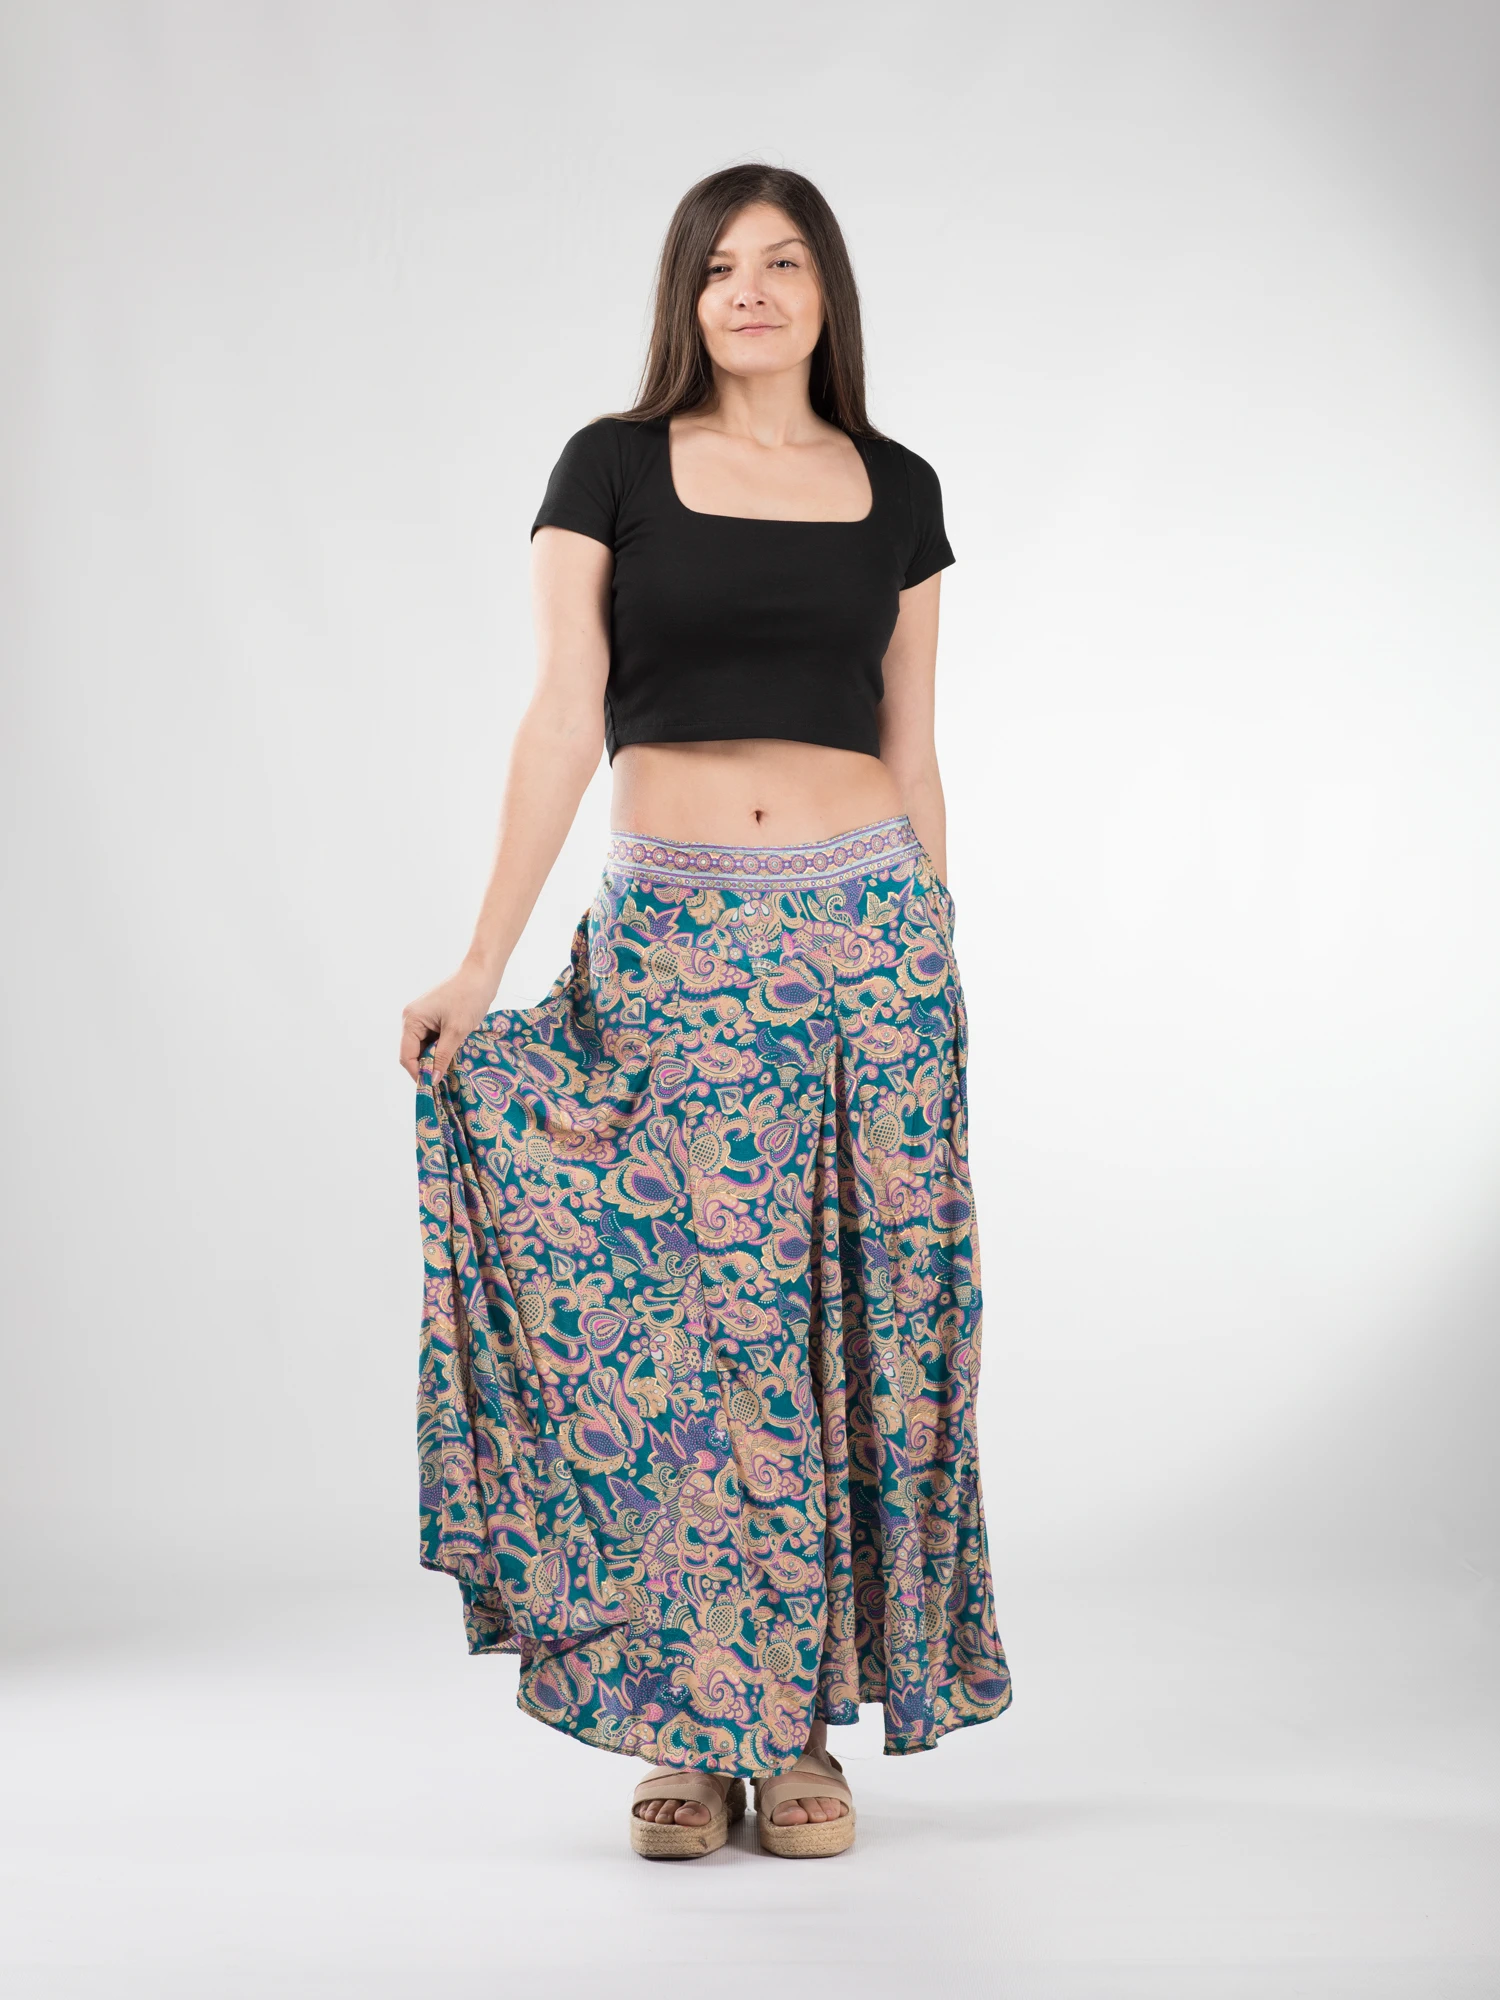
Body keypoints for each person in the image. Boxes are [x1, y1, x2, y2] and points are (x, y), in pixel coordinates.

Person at [401, 163, 1012, 1861]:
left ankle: (797, 1734)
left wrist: (938, 954)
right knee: (691, 1334)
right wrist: (482, 963)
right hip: (675, 945)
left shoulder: (900, 487)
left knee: (841, 1334)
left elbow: (914, 748)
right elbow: (562, 713)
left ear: (828, 293)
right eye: (721, 265)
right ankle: (689, 1723)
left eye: (784, 262)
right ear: (685, 296)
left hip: (870, 942)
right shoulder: (609, 465)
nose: (751, 289)